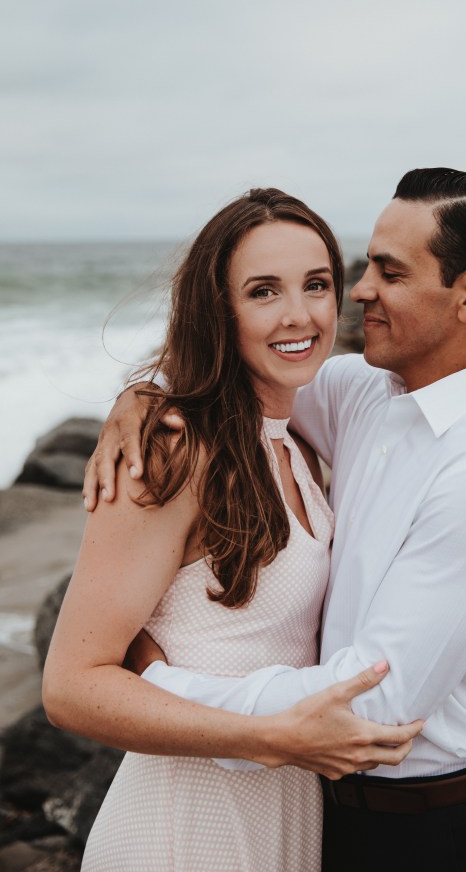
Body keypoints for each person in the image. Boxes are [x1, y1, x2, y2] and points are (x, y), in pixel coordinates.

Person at [85, 168, 466, 872]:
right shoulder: (362, 391)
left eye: (389, 272)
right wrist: (140, 398)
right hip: (321, 817)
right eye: (362, 266)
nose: (359, 290)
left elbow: (370, 707)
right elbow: (236, 373)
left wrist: (159, 688)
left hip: (437, 834)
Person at [42, 188, 422, 872]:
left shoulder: (298, 446)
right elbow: (70, 686)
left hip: (285, 816)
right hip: (181, 829)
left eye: (315, 285)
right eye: (262, 291)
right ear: (219, 310)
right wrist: (267, 737)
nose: (298, 315)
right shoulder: (173, 451)